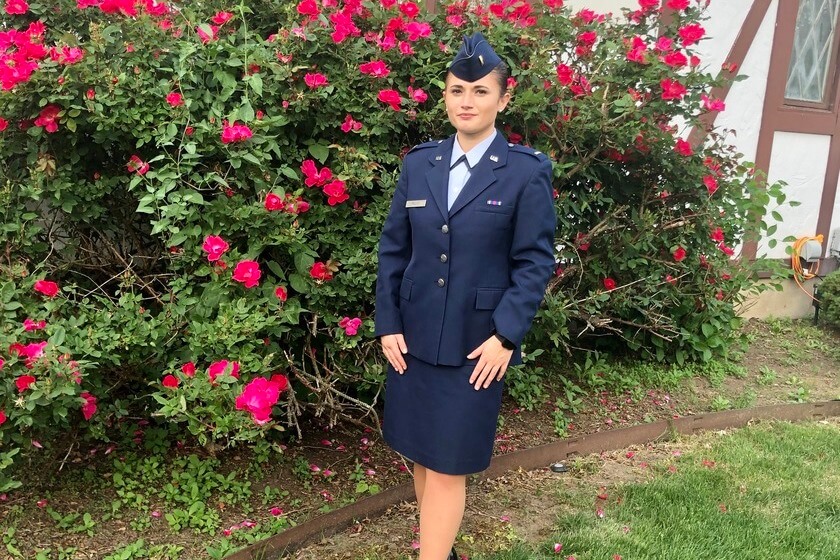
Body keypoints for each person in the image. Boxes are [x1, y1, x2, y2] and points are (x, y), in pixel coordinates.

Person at [375, 32, 557, 560]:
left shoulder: (525, 171)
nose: (467, 102)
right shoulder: (420, 164)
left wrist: (506, 336)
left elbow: (534, 261)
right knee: (420, 453)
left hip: (476, 345)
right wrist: (388, 322)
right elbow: (394, 251)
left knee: (450, 462)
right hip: (411, 338)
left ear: (502, 99)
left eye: (479, 91)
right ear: (446, 96)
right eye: (457, 90)